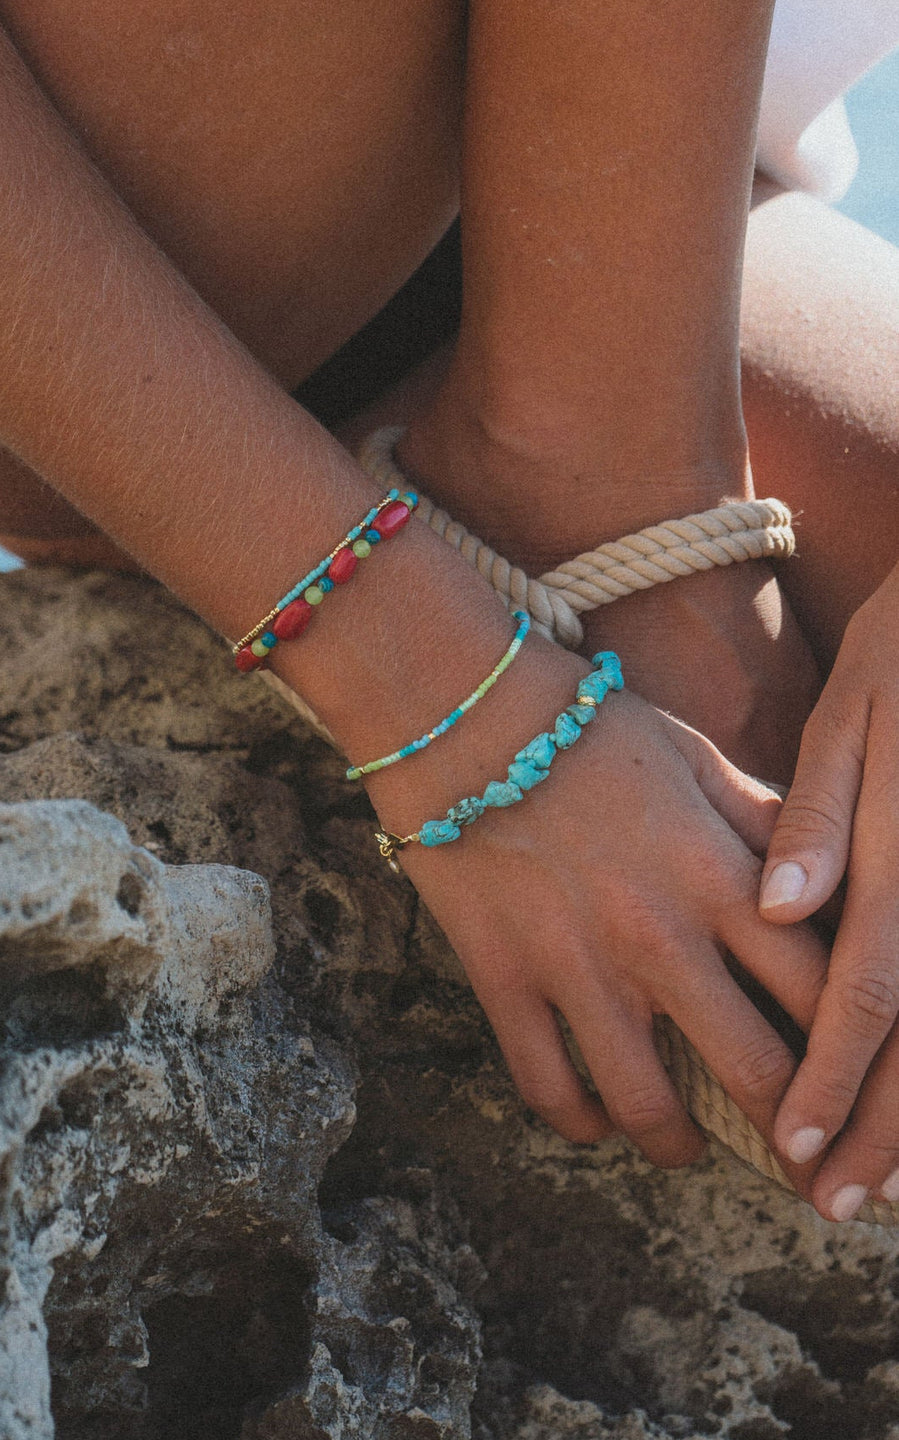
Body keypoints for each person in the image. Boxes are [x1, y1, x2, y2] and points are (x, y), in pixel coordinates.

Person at [0, 0, 896, 1226]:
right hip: (128, 209)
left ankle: (593, 453)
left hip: (643, 191)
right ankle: (582, 471)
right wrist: (433, 683)